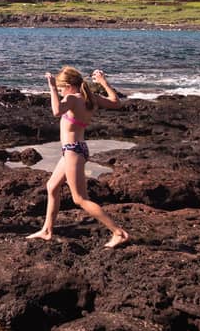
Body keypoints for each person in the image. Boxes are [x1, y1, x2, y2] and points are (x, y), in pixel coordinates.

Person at [29, 66, 131, 248]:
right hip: (77, 149)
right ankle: (47, 230)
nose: (60, 92)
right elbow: (116, 102)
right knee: (52, 186)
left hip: (72, 151)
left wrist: (51, 87)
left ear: (68, 86)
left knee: (80, 199)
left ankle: (119, 232)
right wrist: (103, 82)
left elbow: (56, 111)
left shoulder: (72, 99)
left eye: (61, 88)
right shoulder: (91, 98)